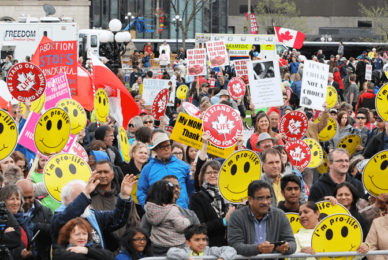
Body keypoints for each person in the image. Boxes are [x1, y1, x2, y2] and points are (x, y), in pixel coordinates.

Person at [50, 173, 137, 247]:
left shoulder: (93, 215)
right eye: (81, 196)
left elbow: (117, 219)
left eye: (87, 195)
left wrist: (124, 196)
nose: (85, 201)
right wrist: (85, 194)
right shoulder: (59, 218)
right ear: (66, 199)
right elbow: (69, 214)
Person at [227, 180, 296, 256]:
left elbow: (292, 243)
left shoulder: (280, 215)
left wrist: (287, 247)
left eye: (268, 198)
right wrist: (258, 249)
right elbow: (235, 246)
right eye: (261, 198)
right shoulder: (237, 216)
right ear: (250, 200)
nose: (266, 202)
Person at [137, 133, 194, 209]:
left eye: (168, 146)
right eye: (162, 147)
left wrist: (193, 176)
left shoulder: (184, 165)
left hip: (181, 211)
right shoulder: (148, 168)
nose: (166, 149)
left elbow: (191, 190)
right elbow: (141, 192)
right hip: (158, 214)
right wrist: (148, 208)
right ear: (155, 149)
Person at [294, 202, 369, 259]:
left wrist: (364, 248)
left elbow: (351, 254)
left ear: (317, 213)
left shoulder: (334, 230)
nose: (302, 216)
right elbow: (291, 258)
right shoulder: (296, 237)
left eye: (306, 212)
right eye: (300, 214)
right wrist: (301, 252)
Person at [189, 160, 235, 247]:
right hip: (210, 246)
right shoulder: (197, 197)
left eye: (215, 172)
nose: (212, 175)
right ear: (203, 176)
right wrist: (224, 221)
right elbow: (199, 227)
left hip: (231, 245)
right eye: (208, 173)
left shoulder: (230, 195)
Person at [144, 180, 191, 255]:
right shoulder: (172, 210)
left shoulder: (150, 208)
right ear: (168, 195)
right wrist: (185, 220)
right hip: (175, 247)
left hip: (156, 246)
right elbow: (181, 227)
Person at [16, 179, 53, 260]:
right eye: (23, 198)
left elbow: (53, 232)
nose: (26, 201)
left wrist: (35, 226)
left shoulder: (46, 212)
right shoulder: (10, 213)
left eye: (30, 197)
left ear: (34, 193)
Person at [0, 185, 35, 260]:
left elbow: (34, 248)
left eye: (18, 199)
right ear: (3, 201)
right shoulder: (2, 221)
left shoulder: (26, 221)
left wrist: (30, 253)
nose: (16, 202)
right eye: (12, 199)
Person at [167, 224, 237, 260]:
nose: (201, 243)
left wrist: (222, 259)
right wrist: (188, 258)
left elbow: (231, 250)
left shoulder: (210, 251)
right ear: (188, 242)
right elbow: (171, 252)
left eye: (204, 239)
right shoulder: (184, 251)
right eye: (197, 240)